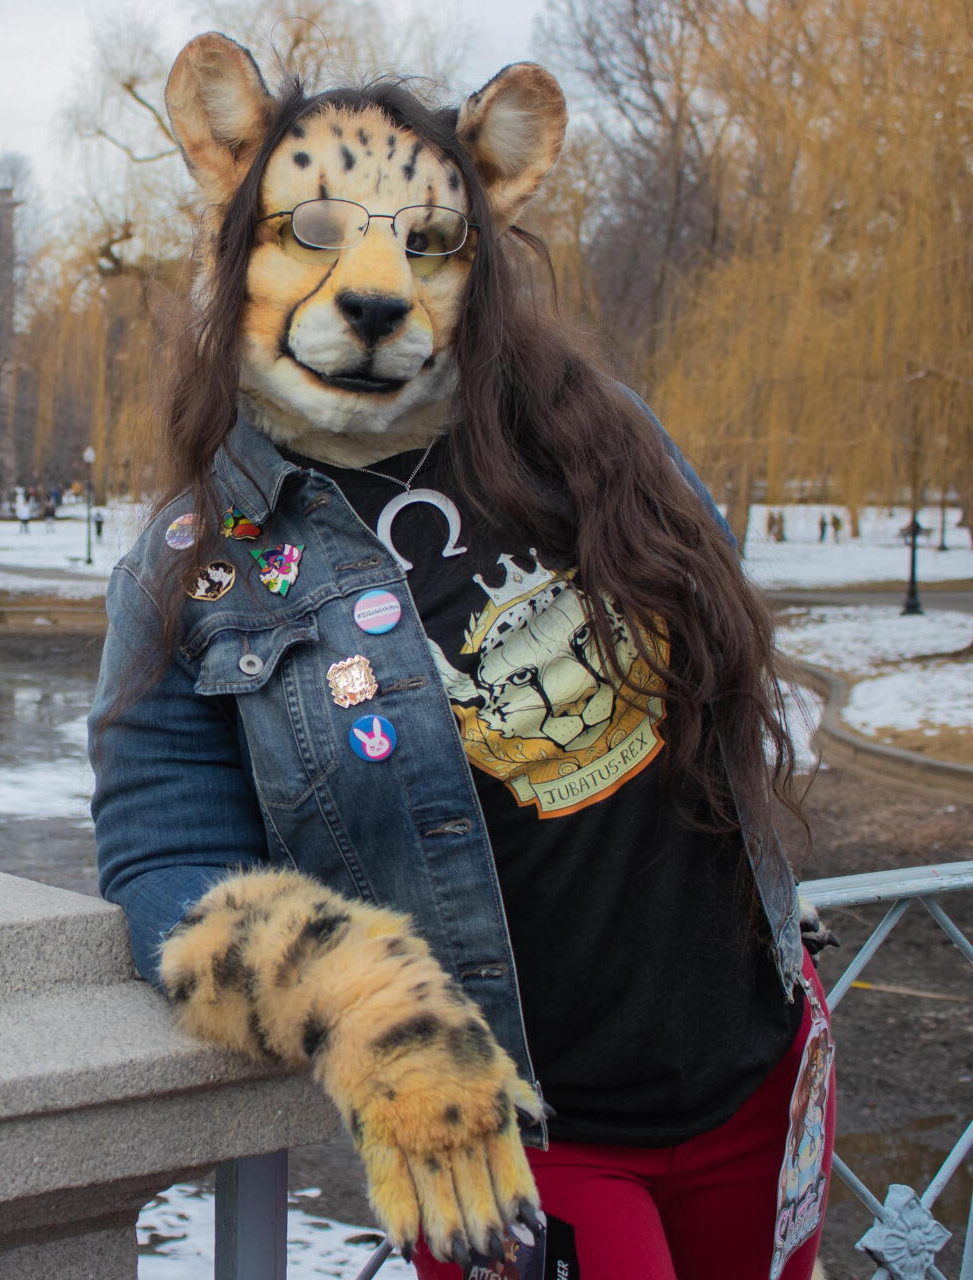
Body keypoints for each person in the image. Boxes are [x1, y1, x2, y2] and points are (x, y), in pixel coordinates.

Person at [89, 35, 833, 1279]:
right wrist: (365, 1007)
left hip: (758, 1069)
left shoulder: (599, 434)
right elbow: (161, 865)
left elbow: (721, 671)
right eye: (312, 228)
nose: (377, 282)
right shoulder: (188, 570)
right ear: (239, 245)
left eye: (432, 242)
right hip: (516, 1142)